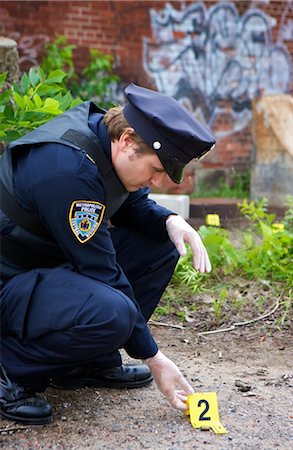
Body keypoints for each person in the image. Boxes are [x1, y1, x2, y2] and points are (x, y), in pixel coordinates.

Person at [0, 83, 215, 425]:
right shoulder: (69, 169)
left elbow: (129, 205)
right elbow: (103, 273)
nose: (159, 182)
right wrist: (154, 358)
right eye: (157, 170)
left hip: (43, 272)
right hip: (8, 287)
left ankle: (86, 362)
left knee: (161, 243)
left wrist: (171, 220)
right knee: (113, 310)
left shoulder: (104, 138)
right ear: (128, 139)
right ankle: (10, 368)